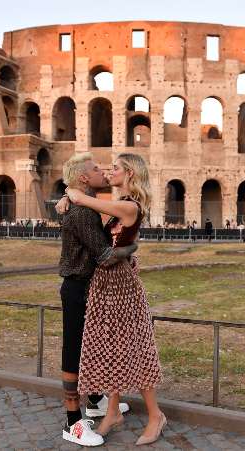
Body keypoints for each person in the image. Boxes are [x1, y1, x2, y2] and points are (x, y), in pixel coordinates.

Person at [62, 153, 166, 445]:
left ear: (130, 173)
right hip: (107, 283)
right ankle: (111, 411)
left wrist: (70, 194)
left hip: (121, 285)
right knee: (111, 346)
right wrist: (67, 197)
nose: (109, 171)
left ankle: (155, 415)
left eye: (116, 168)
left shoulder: (128, 205)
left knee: (134, 346)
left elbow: (86, 202)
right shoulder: (123, 203)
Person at [55, 153, 137, 447]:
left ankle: (94, 401)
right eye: (95, 169)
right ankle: (72, 422)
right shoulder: (82, 213)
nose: (102, 171)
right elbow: (104, 256)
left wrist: (66, 196)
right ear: (84, 179)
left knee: (90, 345)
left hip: (84, 286)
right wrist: (132, 248)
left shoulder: (83, 206)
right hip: (77, 287)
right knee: (73, 350)